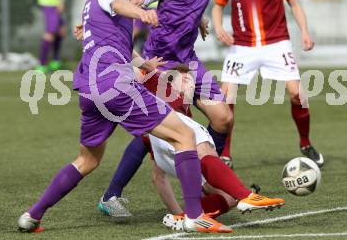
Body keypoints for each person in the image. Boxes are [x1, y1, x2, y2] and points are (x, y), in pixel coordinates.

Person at [18, 0, 231, 234]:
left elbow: (119, 39)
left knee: (87, 160)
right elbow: (119, 5)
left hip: (90, 91)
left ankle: (33, 215)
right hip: (116, 86)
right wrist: (142, 13)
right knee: (185, 135)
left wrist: (145, 63)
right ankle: (194, 215)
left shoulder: (95, 0)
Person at [97, 67, 285, 222]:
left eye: (190, 80)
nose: (189, 83)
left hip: (172, 149)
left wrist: (177, 213)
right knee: (204, 150)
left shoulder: (184, 112)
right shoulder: (164, 93)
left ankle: (192, 215)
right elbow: (133, 71)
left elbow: (157, 176)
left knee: (228, 197)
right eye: (184, 79)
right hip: (132, 106)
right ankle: (245, 195)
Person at [212, 0, 324, 168]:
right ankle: (225, 154)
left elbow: (294, 3)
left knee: (297, 94)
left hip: (276, 42)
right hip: (242, 45)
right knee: (226, 95)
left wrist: (304, 31)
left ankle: (305, 143)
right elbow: (218, 5)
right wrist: (219, 26)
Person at [142, 0, 233, 157]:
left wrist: (199, 19)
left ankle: (212, 169)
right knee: (159, 139)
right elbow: (140, 1)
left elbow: (188, 5)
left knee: (224, 118)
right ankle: (112, 191)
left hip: (188, 61)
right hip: (161, 62)